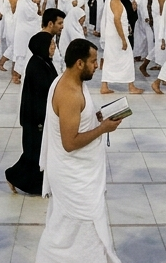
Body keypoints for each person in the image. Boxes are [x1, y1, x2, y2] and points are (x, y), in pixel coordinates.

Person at [35, 38, 123, 263]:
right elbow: (70, 142)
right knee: (78, 226)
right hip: (72, 178)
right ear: (79, 63)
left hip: (76, 174)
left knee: (70, 227)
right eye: (93, 61)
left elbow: (77, 121)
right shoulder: (69, 93)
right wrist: (103, 128)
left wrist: (96, 119)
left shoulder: (69, 82)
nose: (97, 65)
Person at [5, 29, 59, 195]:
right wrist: (41, 121)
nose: (54, 47)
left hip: (41, 115)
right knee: (33, 153)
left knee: (36, 152)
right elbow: (39, 95)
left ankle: (37, 184)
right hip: (35, 118)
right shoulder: (36, 65)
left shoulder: (44, 62)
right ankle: (13, 176)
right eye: (51, 44)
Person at [101, 0, 144, 95]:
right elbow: (117, 21)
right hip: (117, 36)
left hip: (111, 35)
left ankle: (104, 86)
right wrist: (123, 39)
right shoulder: (117, 4)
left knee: (109, 58)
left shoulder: (111, 0)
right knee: (128, 59)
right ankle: (131, 86)